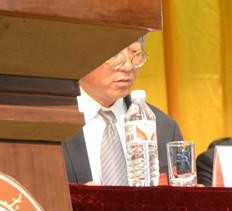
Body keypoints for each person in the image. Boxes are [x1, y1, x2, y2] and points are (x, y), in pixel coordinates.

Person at [61, 37, 183, 185]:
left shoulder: (164, 127)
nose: (127, 66)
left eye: (135, 54)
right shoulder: (48, 123)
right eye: (114, 55)